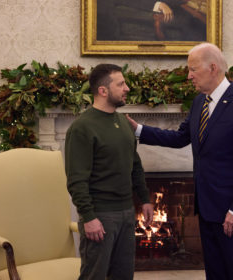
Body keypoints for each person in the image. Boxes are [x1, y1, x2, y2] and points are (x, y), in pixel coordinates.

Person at [126, 43, 233, 279]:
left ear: (212, 68)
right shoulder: (200, 101)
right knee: (216, 273)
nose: (188, 76)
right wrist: (139, 130)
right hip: (207, 208)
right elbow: (180, 138)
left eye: (193, 69)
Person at [65, 64, 154, 280]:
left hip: (126, 212)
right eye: (121, 84)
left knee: (124, 276)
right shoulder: (82, 128)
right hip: (100, 216)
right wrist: (88, 217)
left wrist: (144, 200)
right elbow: (76, 180)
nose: (127, 88)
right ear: (103, 91)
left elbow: (135, 165)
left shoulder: (123, 123)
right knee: (93, 275)